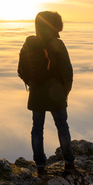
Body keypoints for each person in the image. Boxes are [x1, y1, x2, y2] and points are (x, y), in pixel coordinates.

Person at [18, 11, 75, 176]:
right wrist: (65, 92)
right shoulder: (57, 44)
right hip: (56, 93)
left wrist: (32, 84)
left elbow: (21, 70)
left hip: (36, 93)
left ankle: (40, 167)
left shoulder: (30, 44)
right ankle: (69, 163)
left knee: (37, 129)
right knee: (62, 127)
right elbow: (67, 72)